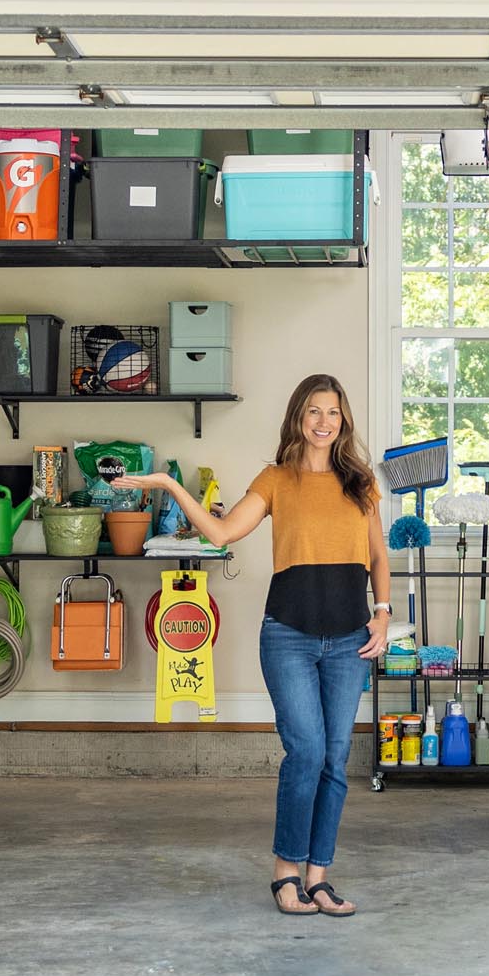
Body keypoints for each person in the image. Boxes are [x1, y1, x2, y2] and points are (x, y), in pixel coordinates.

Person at [123, 374, 389, 917]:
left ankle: (319, 878)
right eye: (313, 411)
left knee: (336, 759)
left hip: (348, 639)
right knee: (307, 752)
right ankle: (285, 873)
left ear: (344, 420)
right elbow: (221, 536)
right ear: (298, 417)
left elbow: (378, 557)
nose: (323, 422)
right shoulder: (276, 479)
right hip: (288, 635)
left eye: (333, 412)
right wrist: (172, 489)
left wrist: (382, 615)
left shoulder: (360, 482)